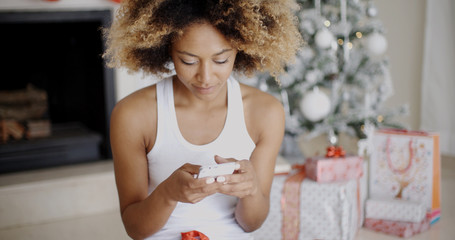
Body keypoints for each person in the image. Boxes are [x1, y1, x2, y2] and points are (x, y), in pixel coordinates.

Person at [103, 0, 302, 239]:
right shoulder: (133, 114)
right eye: (188, 61)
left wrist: (250, 190)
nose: (205, 77)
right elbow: (135, 228)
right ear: (166, 49)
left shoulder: (265, 112)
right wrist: (167, 194)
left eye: (220, 60)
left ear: (241, 48)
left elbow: (252, 224)